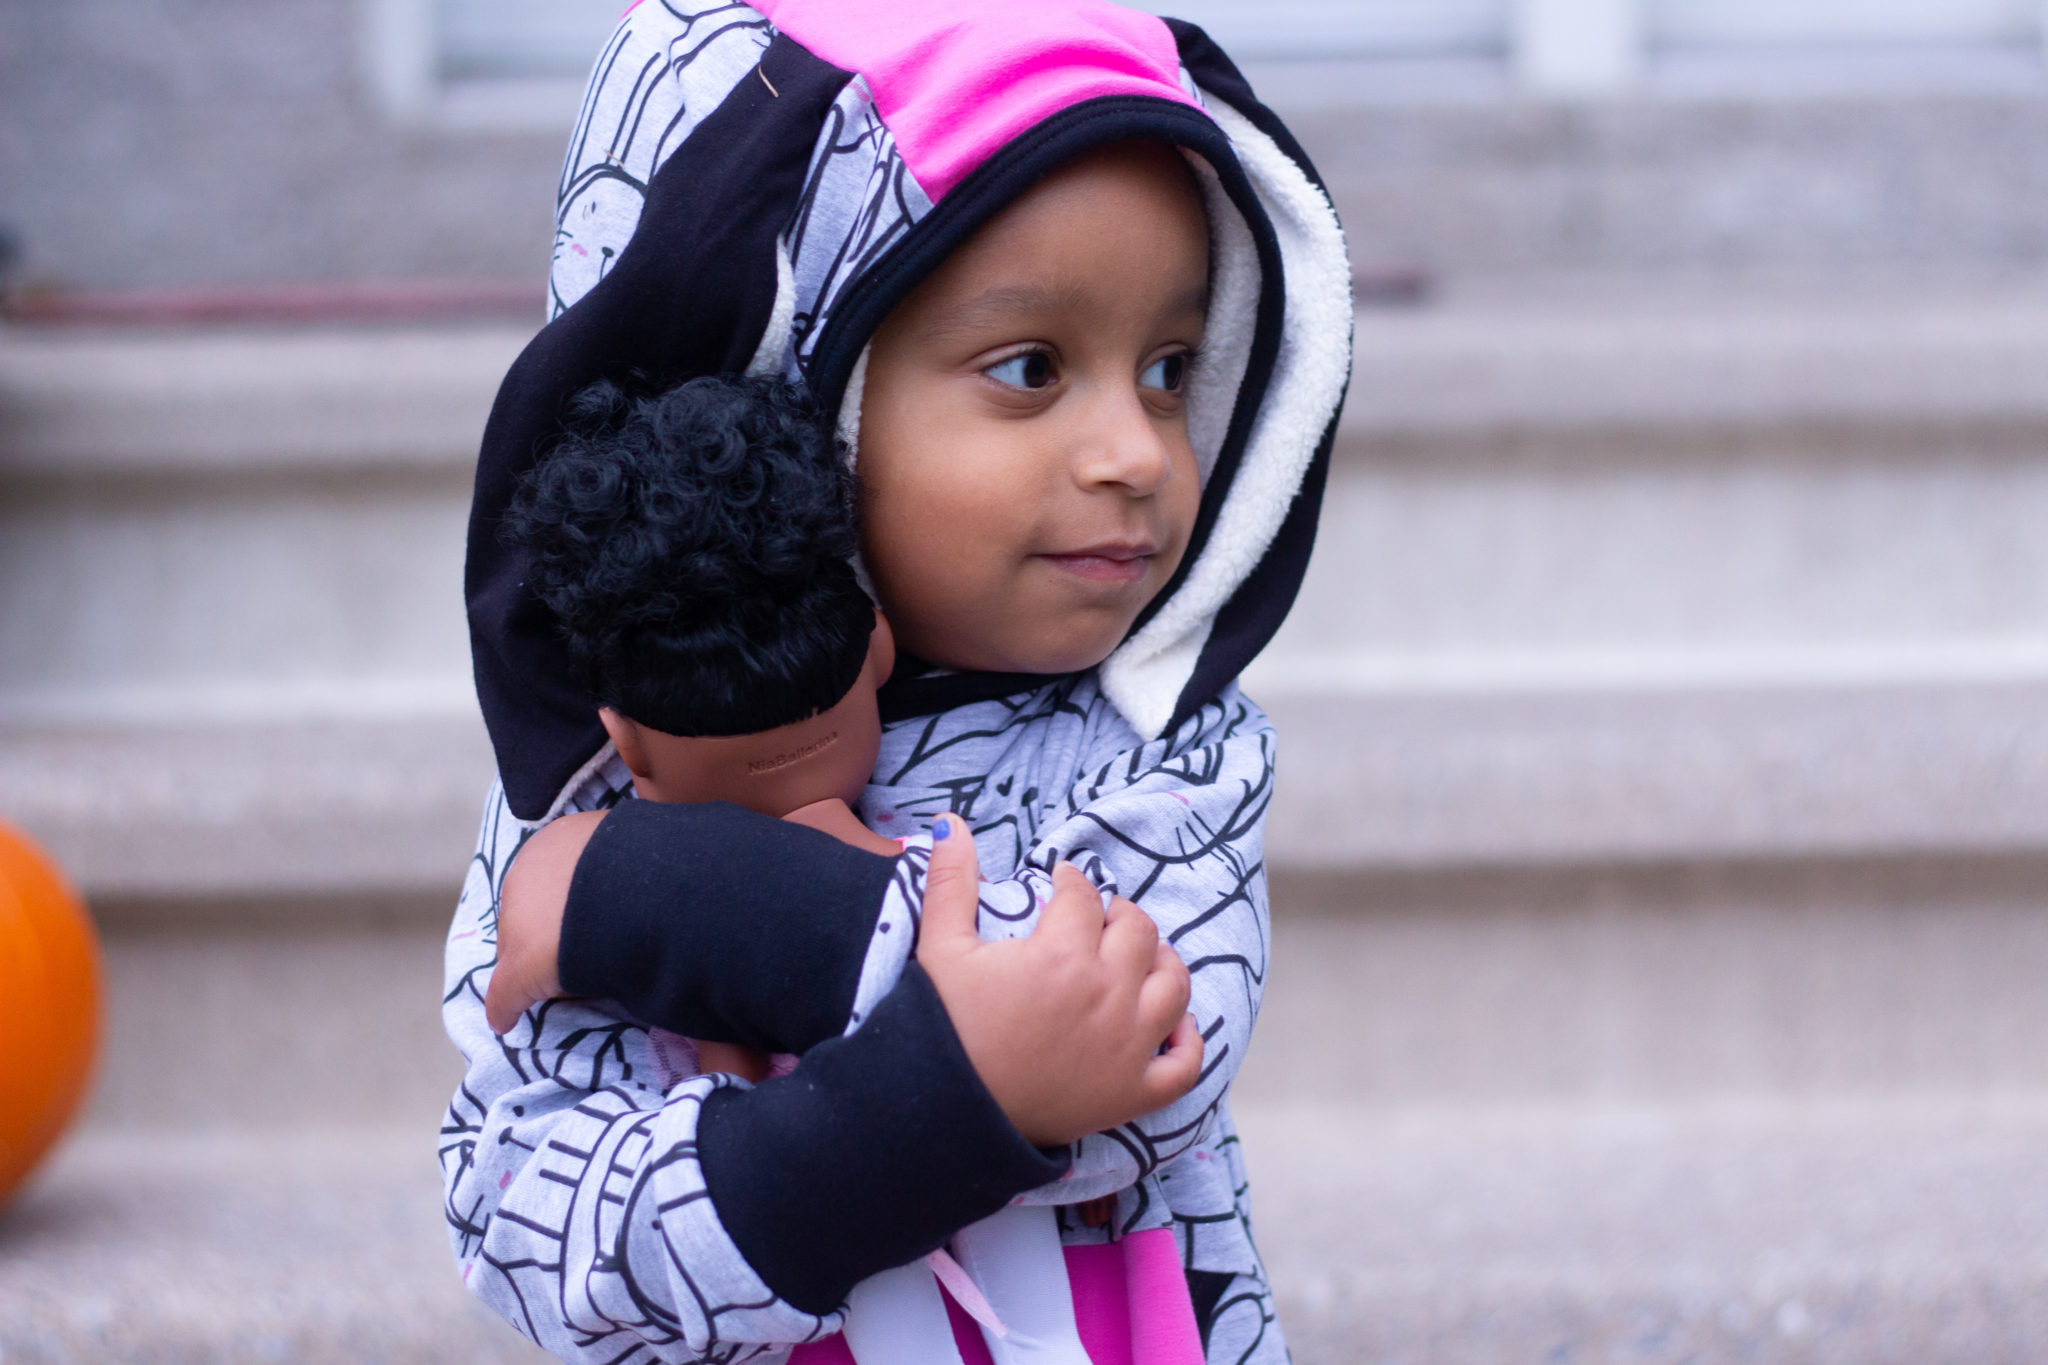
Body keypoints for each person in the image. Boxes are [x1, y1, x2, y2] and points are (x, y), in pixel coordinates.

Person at [442, 2, 1352, 1363]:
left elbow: (1144, 1033)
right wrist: (855, 1137)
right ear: (797, 380)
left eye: (1169, 372)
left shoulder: (1161, 753)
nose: (1138, 450)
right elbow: (524, 1215)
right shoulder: (605, 775)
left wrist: (672, 898)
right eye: (1031, 369)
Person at [498, 371, 1100, 1365]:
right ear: (877, 649)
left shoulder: (596, 891)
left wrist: (631, 890)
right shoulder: (970, 853)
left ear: (625, 745)